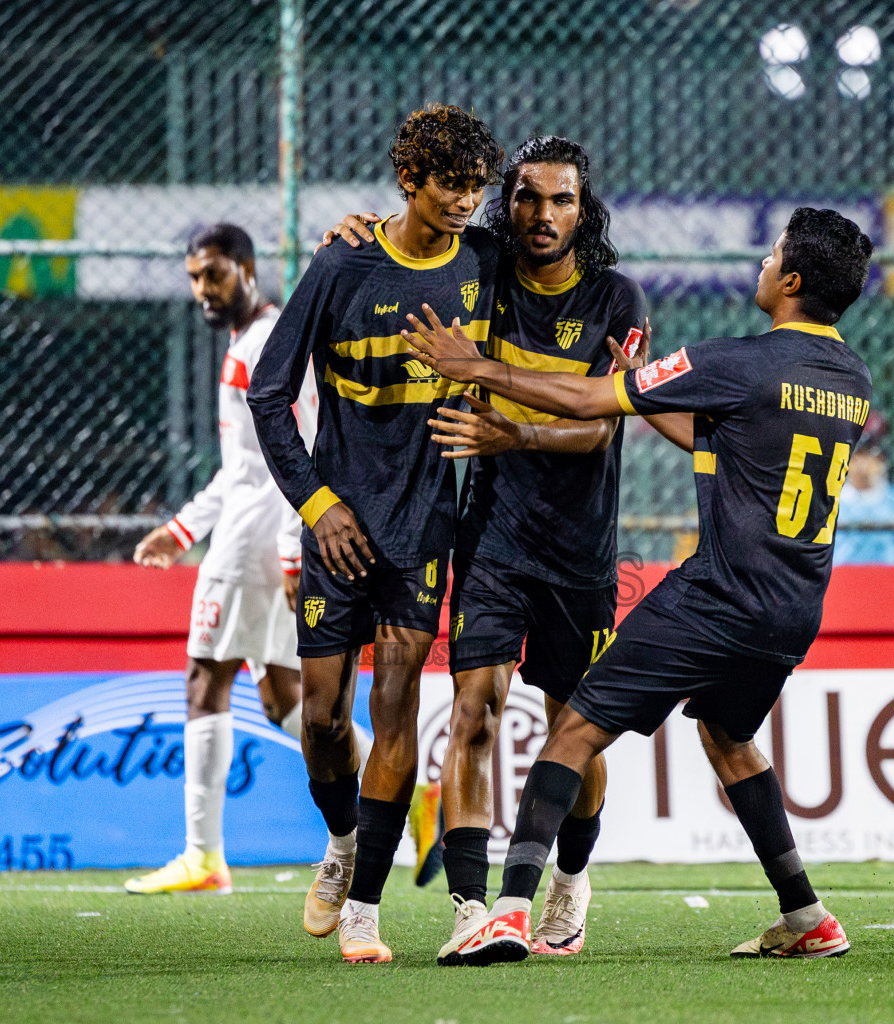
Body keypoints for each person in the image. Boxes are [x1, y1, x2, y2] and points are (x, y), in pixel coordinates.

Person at [405, 207, 873, 964]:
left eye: (771, 254)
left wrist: (479, 369)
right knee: (728, 738)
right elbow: (722, 436)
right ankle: (807, 915)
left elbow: (591, 403)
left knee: (574, 731)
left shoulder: (736, 362)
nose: (760, 262)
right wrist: (637, 387)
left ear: (790, 281)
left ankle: (511, 911)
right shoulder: (850, 377)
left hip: (717, 597)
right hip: (793, 608)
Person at [318, 135, 649, 964]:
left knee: (575, 730)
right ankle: (474, 911)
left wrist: (512, 432)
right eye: (528, 198)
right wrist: (356, 228)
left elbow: (603, 427)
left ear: (585, 206)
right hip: (491, 536)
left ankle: (571, 875)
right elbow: (413, 237)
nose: (543, 215)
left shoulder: (618, 297)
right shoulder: (482, 272)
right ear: (509, 203)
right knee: (474, 713)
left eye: (562, 199)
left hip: (580, 549)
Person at [249, 104, 503, 964]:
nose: (467, 201)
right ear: (410, 180)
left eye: (477, 186)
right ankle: (345, 839)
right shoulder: (342, 262)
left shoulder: (486, 261)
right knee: (322, 721)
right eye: (451, 185)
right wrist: (317, 506)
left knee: (395, 708)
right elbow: (267, 393)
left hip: (424, 526)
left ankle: (365, 907)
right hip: (338, 527)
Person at [124, 223, 367, 896]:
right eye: (195, 278)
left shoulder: (264, 344)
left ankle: (203, 857)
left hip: (257, 539)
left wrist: (294, 552)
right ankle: (403, 794)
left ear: (248, 269)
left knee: (205, 679)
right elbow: (243, 468)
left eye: (215, 275)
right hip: (260, 531)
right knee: (286, 697)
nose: (203, 289)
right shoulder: (252, 341)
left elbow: (300, 449)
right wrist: (180, 529)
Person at [833, 424, 894, 566]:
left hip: (889, 577)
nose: (862, 465)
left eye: (870, 456)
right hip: (842, 576)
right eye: (857, 456)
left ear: (882, 460)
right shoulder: (834, 499)